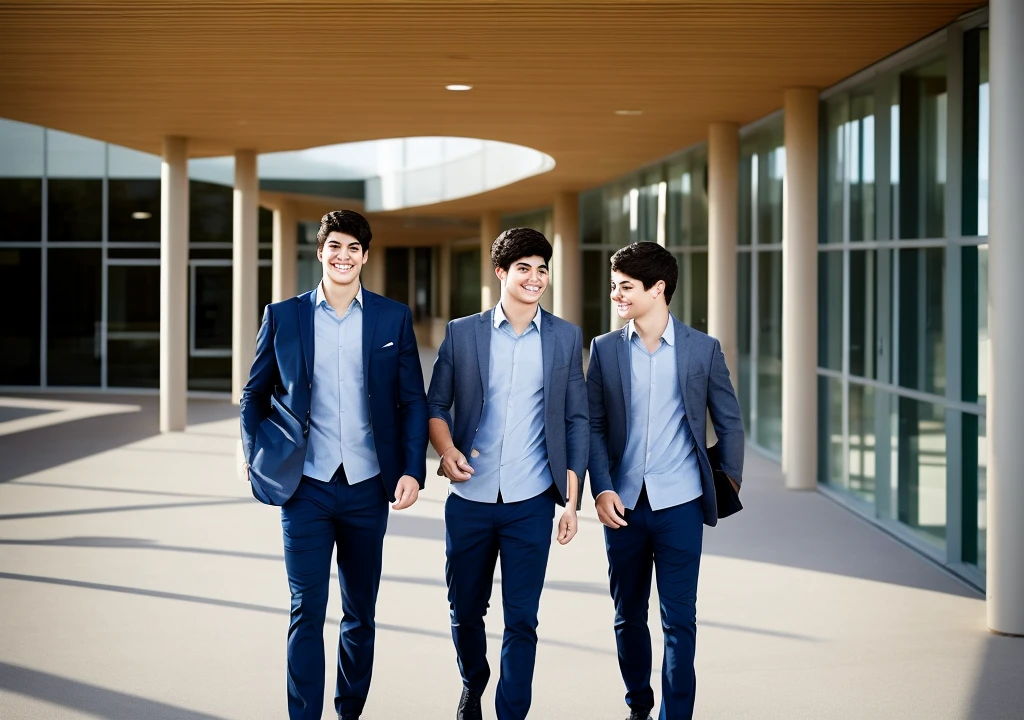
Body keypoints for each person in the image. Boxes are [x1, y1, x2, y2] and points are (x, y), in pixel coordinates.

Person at [239, 209, 428, 720]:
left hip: (369, 488)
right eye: (334, 246)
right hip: (306, 488)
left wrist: (412, 468)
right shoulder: (284, 316)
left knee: (359, 613)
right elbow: (253, 394)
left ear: (365, 256)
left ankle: (349, 712)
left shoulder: (392, 318)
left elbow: (412, 400)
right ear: (320, 252)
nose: (343, 256)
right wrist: (257, 456)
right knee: (306, 610)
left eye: (353, 248)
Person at [426, 227, 589, 720]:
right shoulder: (463, 332)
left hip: (532, 501)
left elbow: (577, 418)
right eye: (524, 268)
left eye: (542, 269)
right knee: (465, 610)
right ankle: (473, 682)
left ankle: (511, 712)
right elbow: (437, 404)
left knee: (522, 618)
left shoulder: (564, 336)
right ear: (501, 272)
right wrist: (448, 448)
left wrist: (572, 502)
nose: (535, 278)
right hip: (470, 498)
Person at [586, 241, 744, 720]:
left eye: (626, 287)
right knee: (627, 615)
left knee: (680, 621)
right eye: (613, 286)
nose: (616, 295)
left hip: (681, 506)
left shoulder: (702, 349)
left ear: (659, 289)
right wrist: (602, 487)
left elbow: (730, 422)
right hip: (624, 507)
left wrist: (728, 482)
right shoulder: (605, 349)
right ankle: (639, 704)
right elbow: (593, 425)